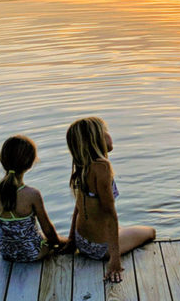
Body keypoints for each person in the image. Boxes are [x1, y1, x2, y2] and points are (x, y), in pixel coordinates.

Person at [62, 117, 155, 283]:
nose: (109, 136)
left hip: (81, 242)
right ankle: (113, 248)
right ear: (96, 138)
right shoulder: (102, 167)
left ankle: (108, 239)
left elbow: (78, 207)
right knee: (150, 232)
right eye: (105, 132)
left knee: (123, 230)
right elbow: (110, 214)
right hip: (100, 249)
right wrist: (115, 259)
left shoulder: (82, 165)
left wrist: (71, 241)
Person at [0, 135, 64, 262]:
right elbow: (47, 228)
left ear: (2, 159)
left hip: (6, 253)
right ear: (30, 163)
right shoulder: (32, 194)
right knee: (63, 240)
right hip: (33, 253)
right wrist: (56, 245)